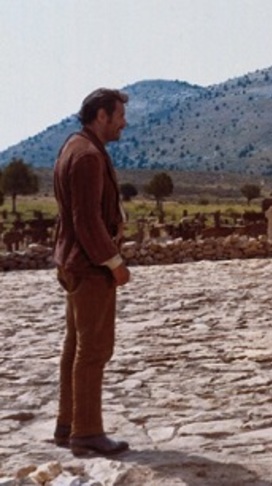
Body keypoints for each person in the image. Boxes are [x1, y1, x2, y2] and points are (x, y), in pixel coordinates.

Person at [52, 88, 132, 457]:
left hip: (72, 262)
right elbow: (87, 220)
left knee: (75, 346)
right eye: (118, 116)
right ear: (101, 115)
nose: (123, 123)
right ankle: (86, 432)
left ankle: (67, 424)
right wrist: (114, 263)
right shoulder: (86, 156)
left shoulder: (73, 146)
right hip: (89, 266)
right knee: (94, 348)